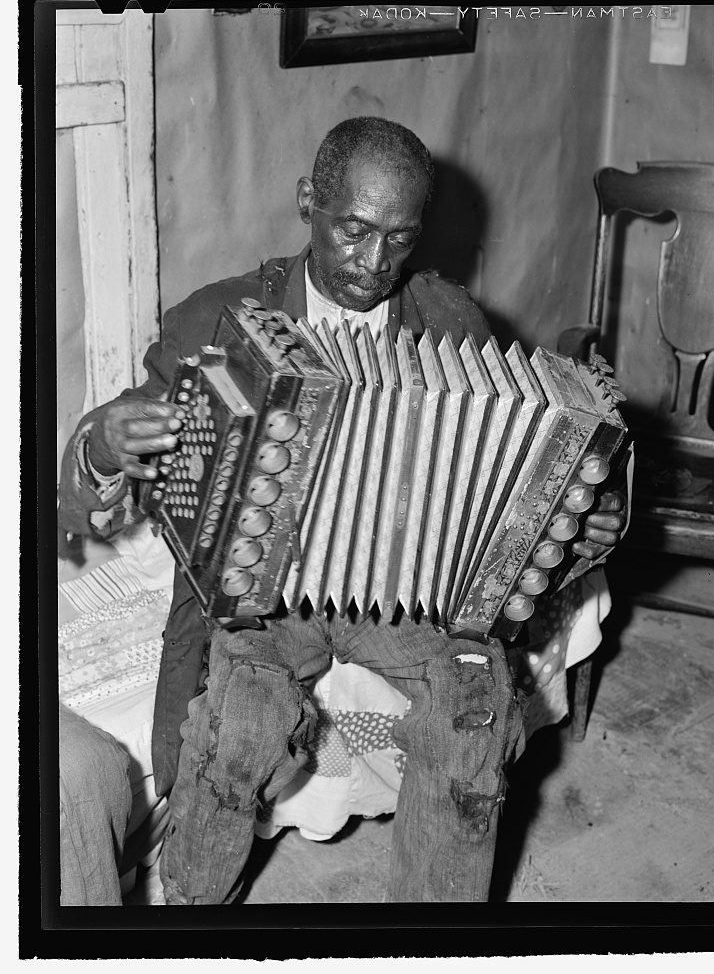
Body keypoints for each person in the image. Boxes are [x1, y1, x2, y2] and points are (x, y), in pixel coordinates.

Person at [58, 117, 627, 904]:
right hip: (262, 595)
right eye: (353, 229)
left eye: (399, 236)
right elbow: (106, 457)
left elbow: (521, 484)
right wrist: (101, 445)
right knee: (245, 720)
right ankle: (192, 910)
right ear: (308, 204)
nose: (373, 262)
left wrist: (588, 530)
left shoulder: (450, 324)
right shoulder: (221, 318)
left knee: (475, 713)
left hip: (409, 592)